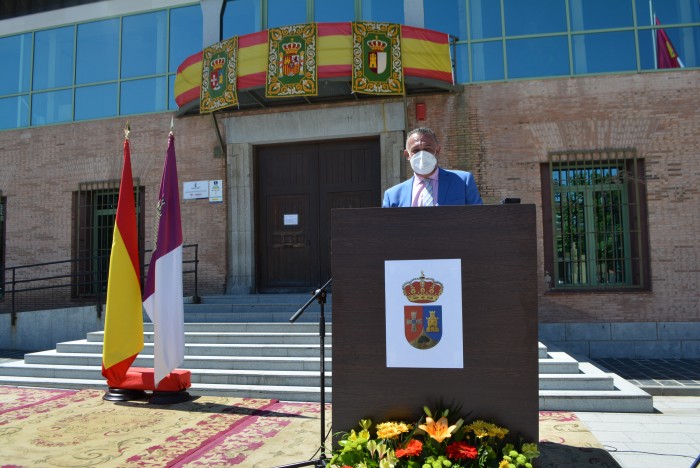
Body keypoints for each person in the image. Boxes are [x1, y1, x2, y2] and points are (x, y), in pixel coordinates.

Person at [382, 127, 483, 207]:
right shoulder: (392, 195)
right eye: (416, 150)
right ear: (407, 155)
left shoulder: (463, 181)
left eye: (427, 149)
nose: (422, 155)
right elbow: (387, 230)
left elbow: (479, 218)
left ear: (437, 150)